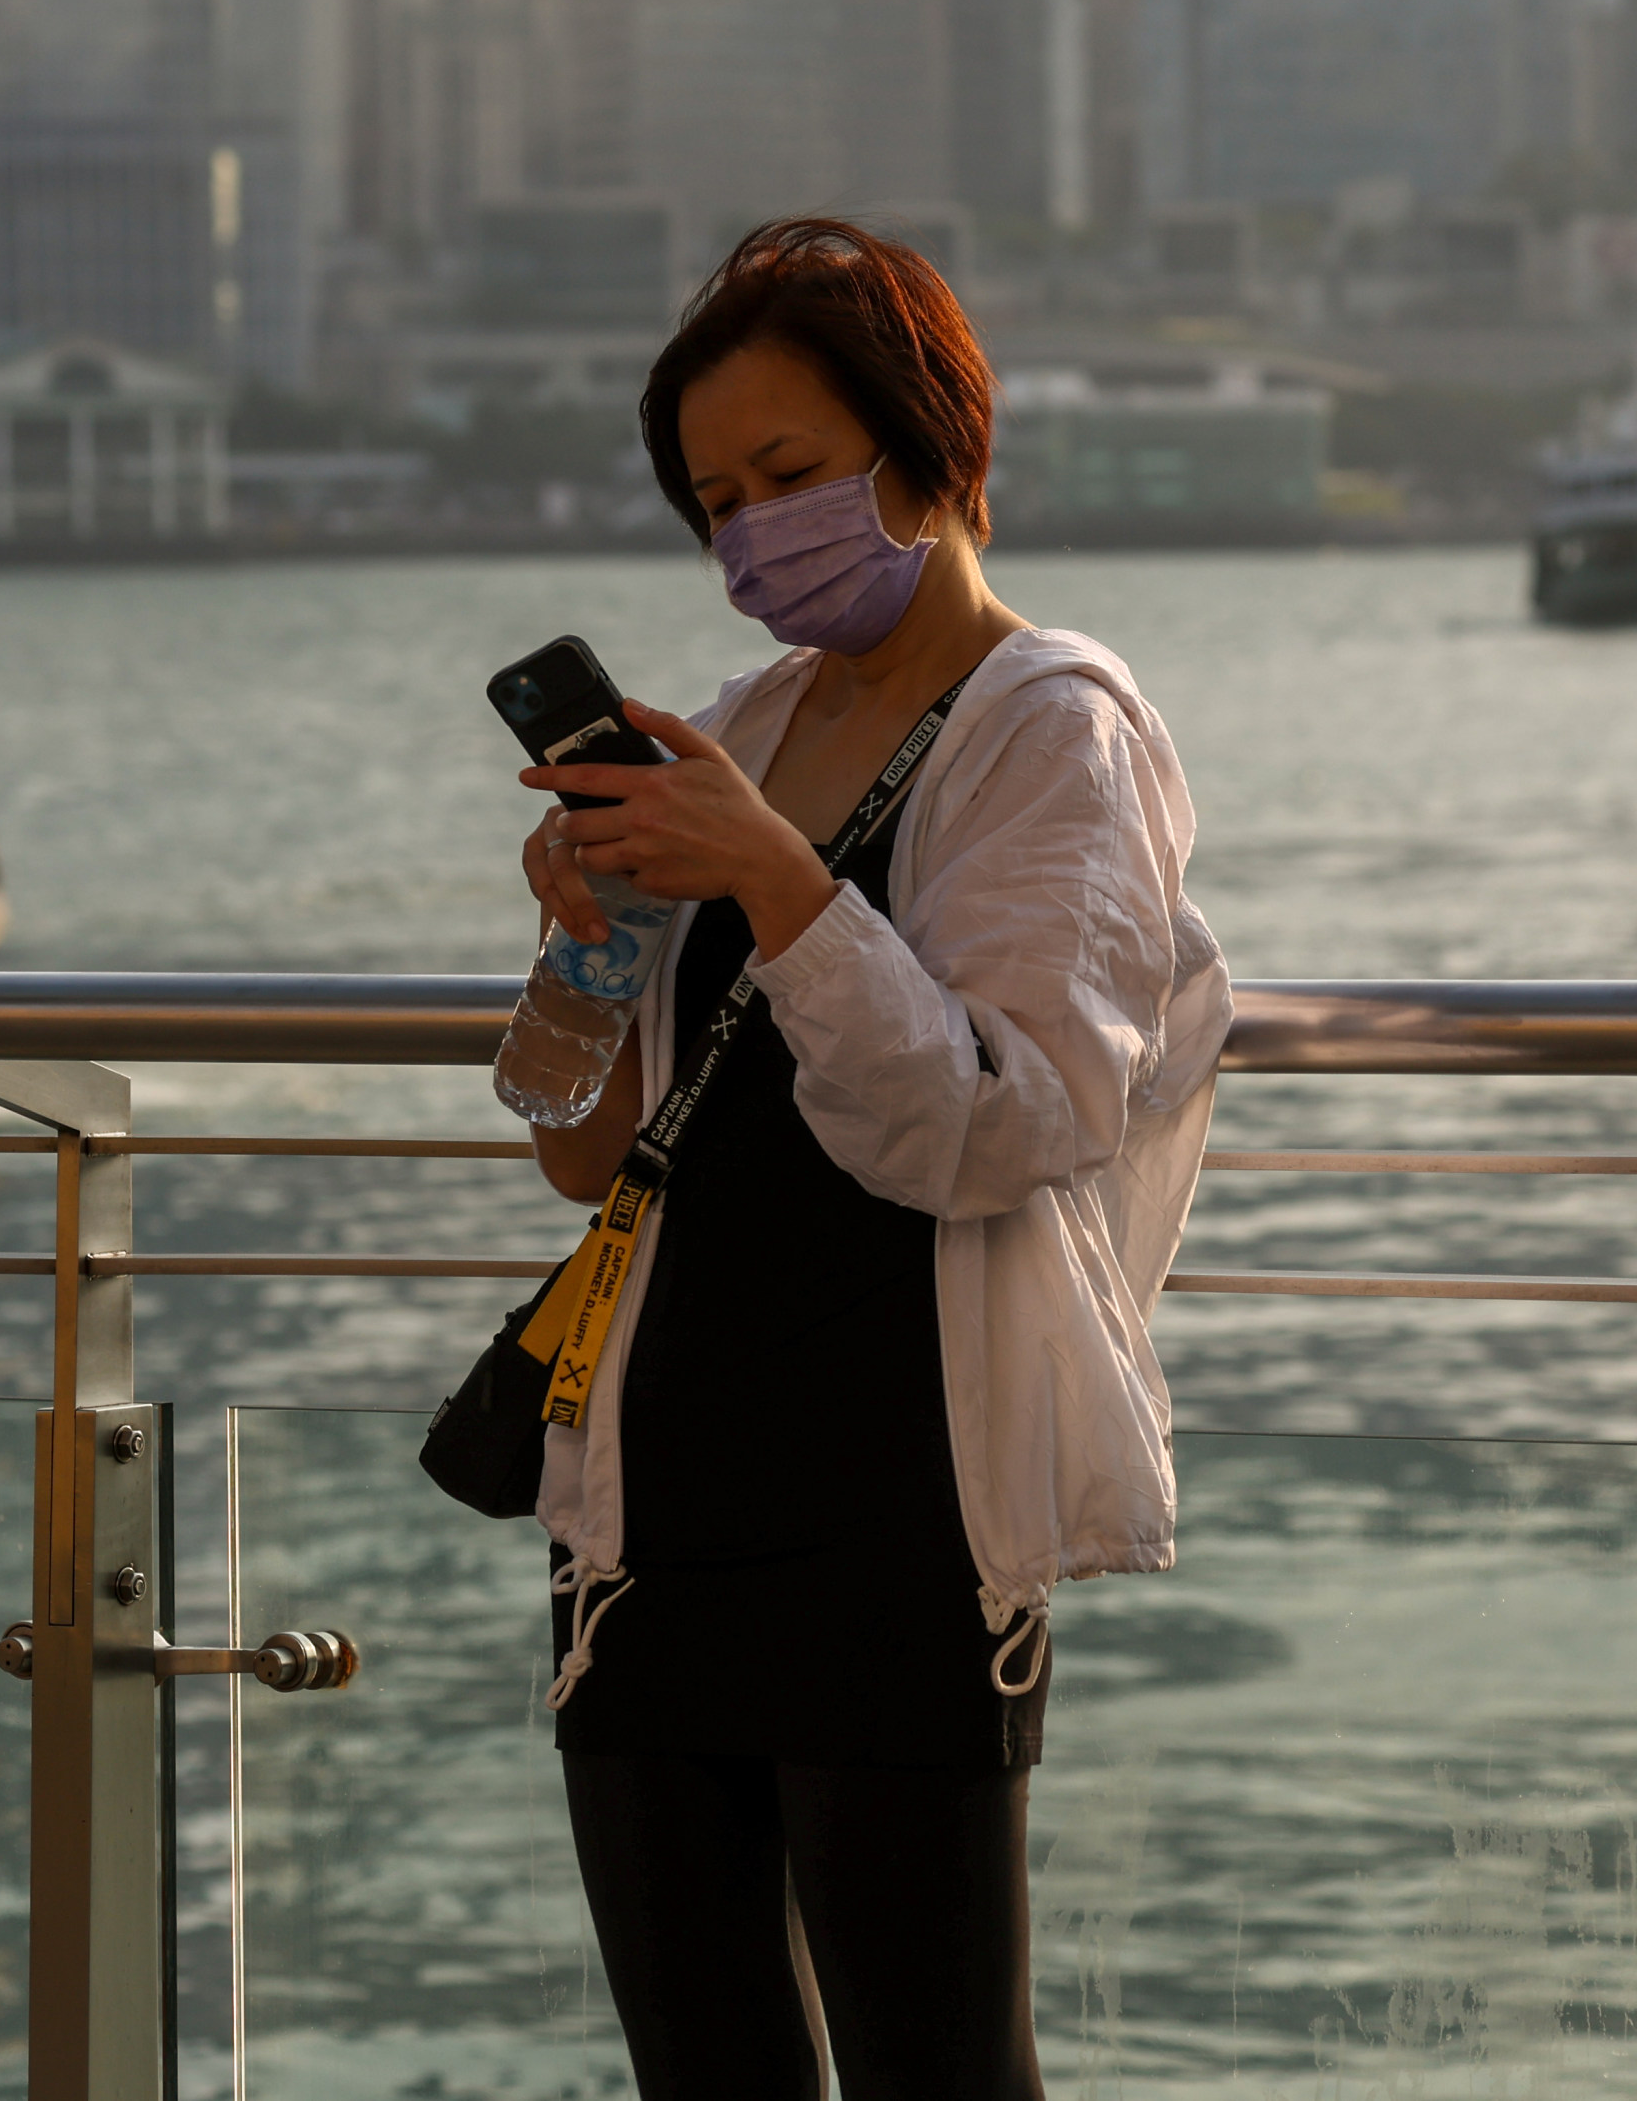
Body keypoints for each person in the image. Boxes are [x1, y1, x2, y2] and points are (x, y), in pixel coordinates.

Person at [512, 217, 1232, 2100]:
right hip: (653, 1499)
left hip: (901, 1499)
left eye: (791, 474)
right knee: (705, 2062)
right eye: (717, 497)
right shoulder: (745, 727)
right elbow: (593, 1160)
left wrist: (771, 875)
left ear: (927, 454)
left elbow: (1000, 1122)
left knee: (938, 2067)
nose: (753, 531)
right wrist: (579, 940)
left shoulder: (1049, 728)